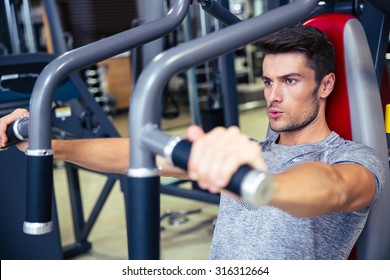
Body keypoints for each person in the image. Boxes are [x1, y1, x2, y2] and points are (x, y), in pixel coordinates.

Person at [0, 26, 386, 260]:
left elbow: (332, 189)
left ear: (326, 85)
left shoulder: (349, 158)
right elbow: (135, 154)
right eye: (269, 82)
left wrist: (260, 182)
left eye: (289, 81)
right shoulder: (254, 149)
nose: (273, 96)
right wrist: (49, 145)